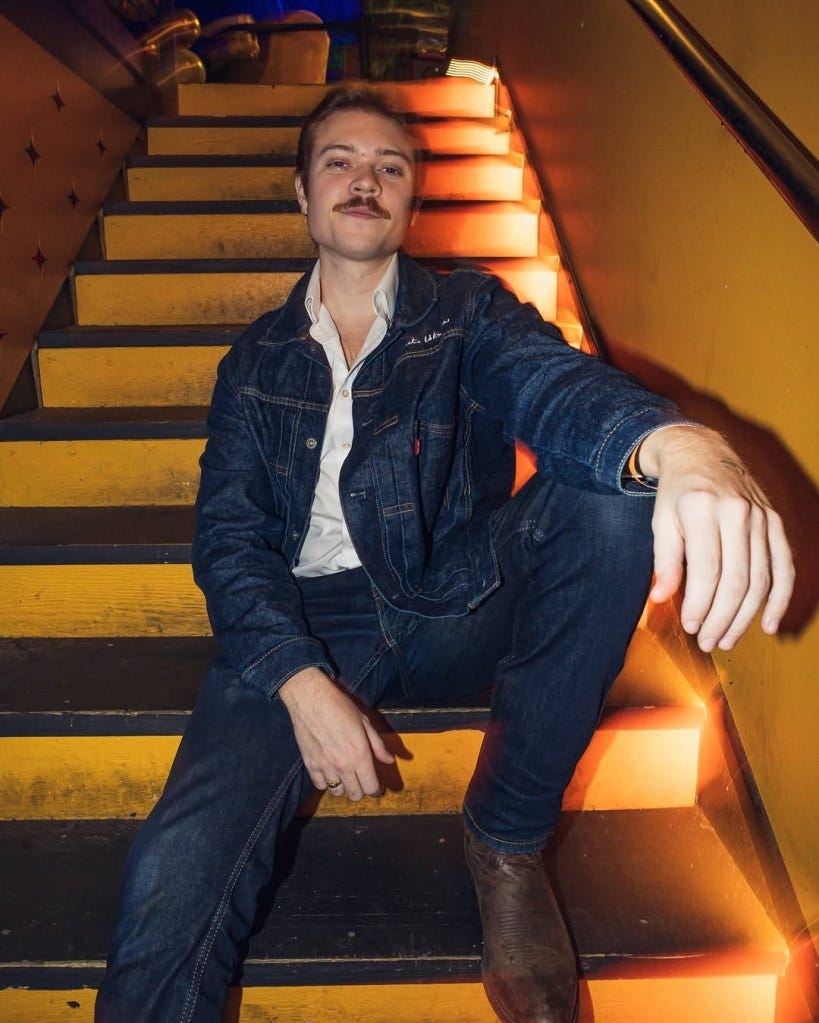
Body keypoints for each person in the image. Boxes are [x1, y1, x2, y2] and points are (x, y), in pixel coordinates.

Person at [95, 85, 794, 1023]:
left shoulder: (465, 311)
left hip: (450, 593)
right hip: (305, 620)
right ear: (301, 194)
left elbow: (548, 384)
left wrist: (673, 443)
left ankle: (505, 837)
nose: (364, 179)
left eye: (391, 166)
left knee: (613, 499)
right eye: (339, 160)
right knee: (168, 872)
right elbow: (228, 540)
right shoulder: (253, 363)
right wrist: (299, 679)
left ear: (412, 201)